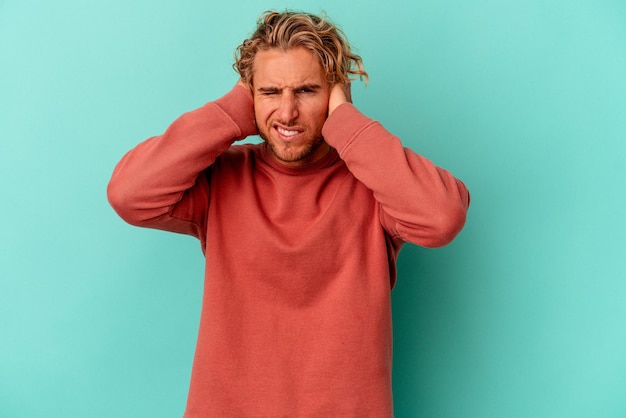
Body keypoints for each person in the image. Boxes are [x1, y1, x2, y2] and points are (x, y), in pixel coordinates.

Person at [107, 9, 470, 417]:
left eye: (306, 91)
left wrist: (347, 125)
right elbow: (129, 194)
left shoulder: (374, 185)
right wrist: (229, 112)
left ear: (335, 93)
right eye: (269, 92)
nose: (286, 112)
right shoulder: (222, 179)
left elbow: (442, 216)